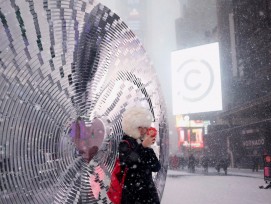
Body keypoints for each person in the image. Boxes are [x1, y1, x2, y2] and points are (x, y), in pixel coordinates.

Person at [118, 107, 161, 204]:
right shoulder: (125, 142)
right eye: (139, 127)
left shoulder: (144, 143)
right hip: (132, 194)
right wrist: (143, 146)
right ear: (132, 126)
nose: (143, 130)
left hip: (148, 193)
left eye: (145, 127)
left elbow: (156, 167)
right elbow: (127, 162)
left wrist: (147, 148)